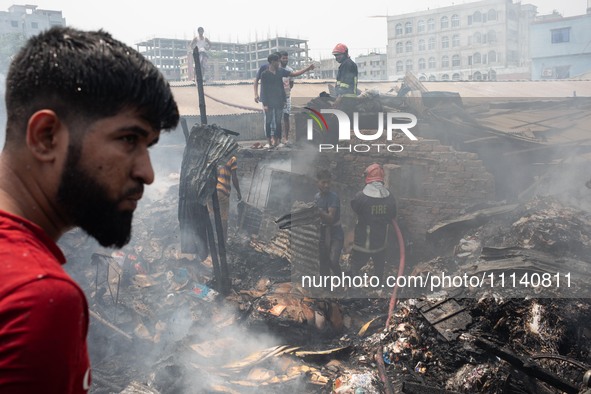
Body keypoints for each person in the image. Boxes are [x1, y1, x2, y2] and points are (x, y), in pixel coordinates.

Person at [0, 26, 179, 393]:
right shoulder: (37, 298)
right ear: (46, 135)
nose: (147, 172)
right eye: (128, 139)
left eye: (150, 146)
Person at [349, 163, 397, 282]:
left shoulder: (360, 197)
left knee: (355, 266)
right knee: (379, 267)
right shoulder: (390, 197)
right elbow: (392, 216)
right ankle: (378, 289)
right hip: (380, 242)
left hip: (363, 243)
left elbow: (354, 208)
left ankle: (353, 290)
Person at [257, 53, 314, 149]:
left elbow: (293, 75)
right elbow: (263, 90)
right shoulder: (265, 74)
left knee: (278, 121)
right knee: (269, 122)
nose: (279, 63)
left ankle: (278, 141)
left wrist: (307, 69)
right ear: (272, 62)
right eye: (277, 61)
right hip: (269, 102)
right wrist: (264, 104)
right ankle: (269, 143)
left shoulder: (280, 71)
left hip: (279, 101)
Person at [314, 170, 343, 276]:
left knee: (333, 261)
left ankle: (342, 281)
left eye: (328, 182)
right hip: (322, 233)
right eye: (323, 182)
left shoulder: (333, 197)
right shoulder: (317, 197)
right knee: (323, 262)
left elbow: (330, 218)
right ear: (317, 182)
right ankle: (326, 289)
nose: (327, 185)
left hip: (335, 233)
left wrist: (317, 211)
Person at [208, 155, 242, 244]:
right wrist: (238, 192)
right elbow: (234, 178)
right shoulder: (232, 158)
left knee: (210, 216)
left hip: (210, 191)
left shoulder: (214, 155)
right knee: (223, 220)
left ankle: (208, 241)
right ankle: (222, 244)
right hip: (222, 192)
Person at [279, 51, 294, 145]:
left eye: (286, 58)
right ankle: (277, 138)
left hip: (287, 97)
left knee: (286, 117)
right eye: (283, 58)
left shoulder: (290, 70)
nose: (285, 60)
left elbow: (291, 84)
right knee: (276, 118)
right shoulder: (277, 69)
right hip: (276, 97)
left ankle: (286, 138)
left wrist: (286, 92)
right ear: (280, 59)